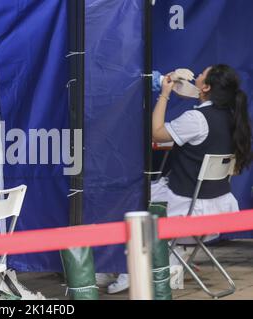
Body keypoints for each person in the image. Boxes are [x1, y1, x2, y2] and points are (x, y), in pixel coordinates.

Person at [106, 64, 253, 294]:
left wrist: (164, 94)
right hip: (220, 208)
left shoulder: (197, 118)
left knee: (131, 199)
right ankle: (170, 257)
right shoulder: (233, 117)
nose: (197, 74)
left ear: (206, 86)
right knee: (151, 191)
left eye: (202, 74)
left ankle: (129, 268)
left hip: (188, 208)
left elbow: (157, 133)